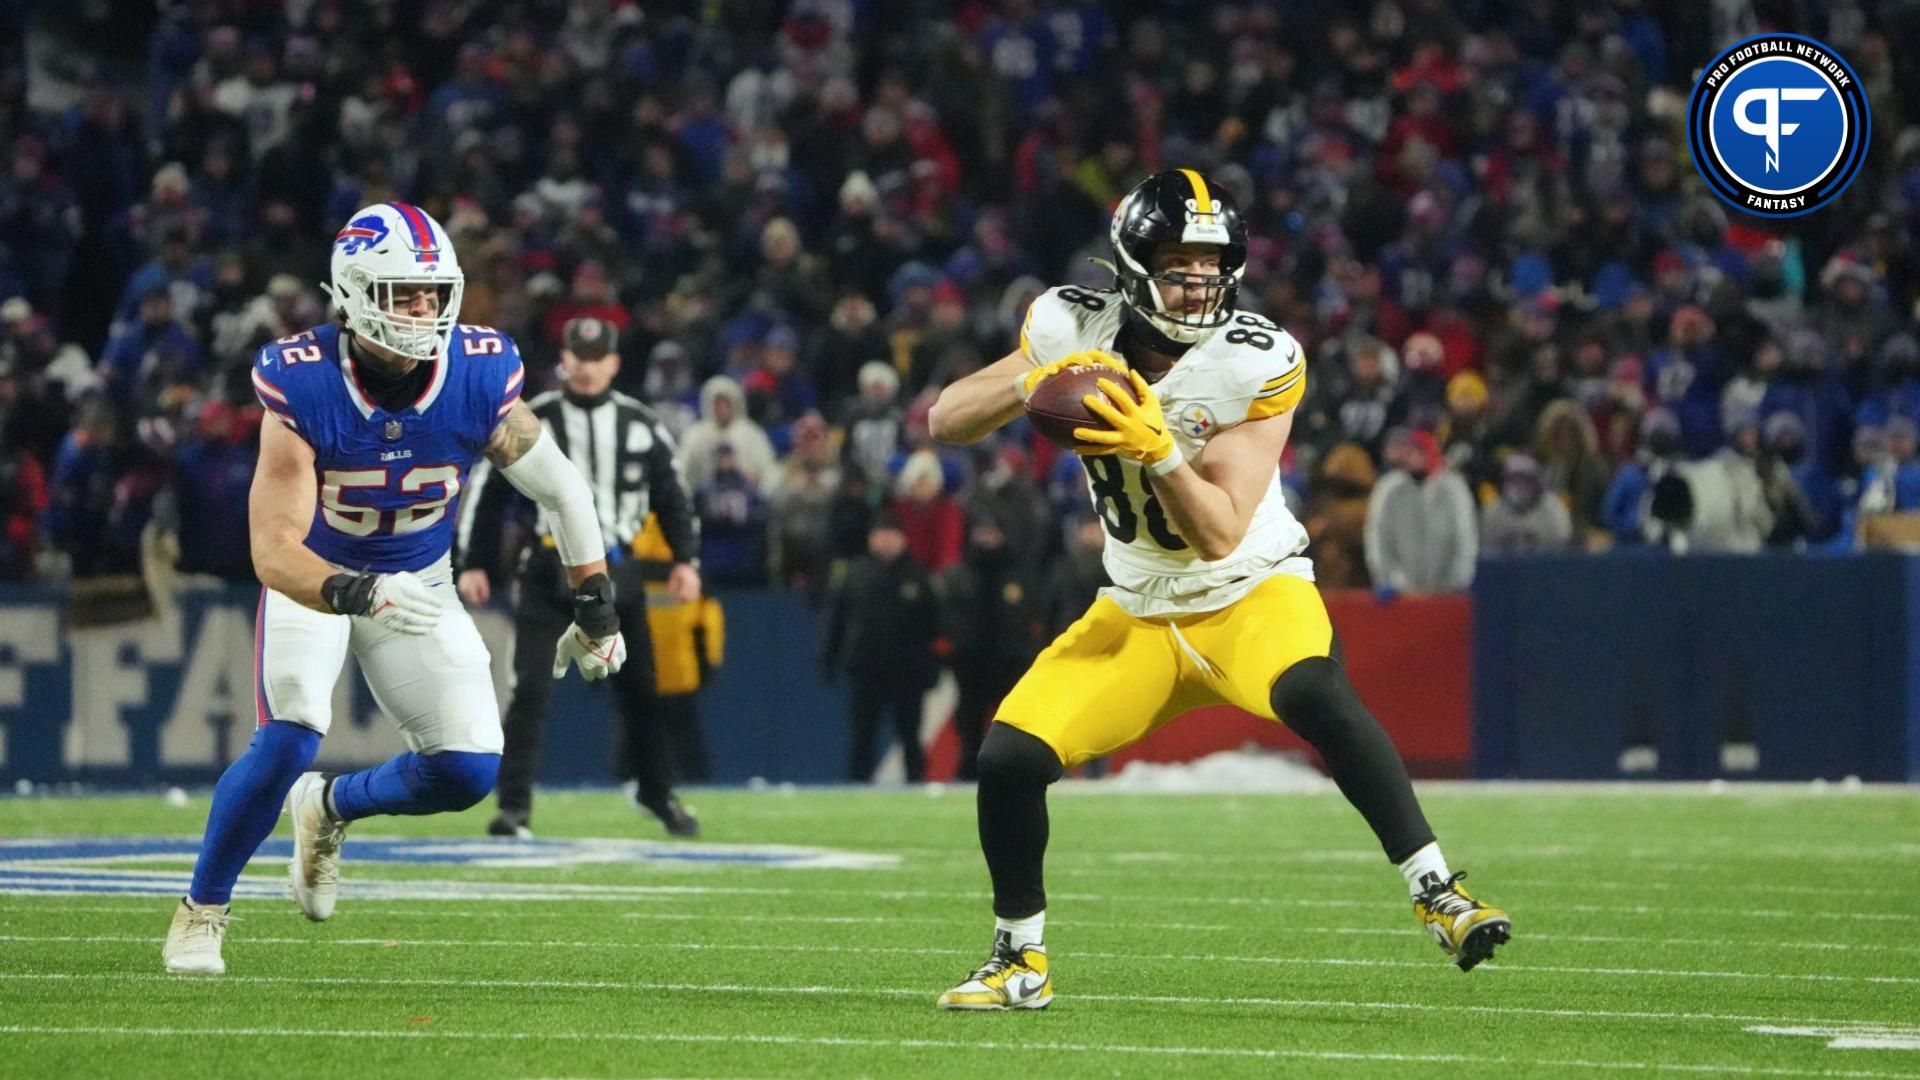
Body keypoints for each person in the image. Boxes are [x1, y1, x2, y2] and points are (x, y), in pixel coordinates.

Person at [925, 170, 1509, 1011]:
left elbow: (1221, 529)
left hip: (1249, 589)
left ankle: (1438, 892)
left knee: (1313, 689)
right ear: (1129, 265)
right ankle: (1020, 960)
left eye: (1211, 265)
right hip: (1136, 608)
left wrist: (1158, 447)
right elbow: (946, 419)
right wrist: (1036, 379)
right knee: (1010, 758)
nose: (1197, 283)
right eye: (1176, 263)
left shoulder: (1256, 359)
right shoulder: (1070, 323)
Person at [163, 203, 629, 976]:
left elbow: (565, 491)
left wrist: (596, 604)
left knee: (469, 768)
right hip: (322, 576)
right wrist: (352, 590)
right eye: (401, 294)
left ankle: (331, 806)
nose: (422, 311)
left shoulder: (477, 374)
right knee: (291, 733)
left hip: (419, 577)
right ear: (351, 293)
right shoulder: (303, 380)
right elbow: (273, 548)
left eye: (432, 294)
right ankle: (202, 909)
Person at [456, 316, 703, 840]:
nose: (587, 367)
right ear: (563, 359)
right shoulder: (534, 418)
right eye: (579, 356)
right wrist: (473, 561)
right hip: (548, 570)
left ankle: (657, 792)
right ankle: (515, 806)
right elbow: (488, 489)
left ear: (614, 362)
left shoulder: (640, 422)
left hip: (619, 571)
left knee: (643, 693)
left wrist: (687, 559)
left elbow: (673, 493)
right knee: (529, 692)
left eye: (598, 357)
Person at [820, 512, 941, 782]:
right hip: (866, 666)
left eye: (891, 534)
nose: (885, 541)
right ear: (871, 538)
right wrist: (828, 656)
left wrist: (931, 667)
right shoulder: (855, 573)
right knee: (862, 735)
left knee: (910, 734)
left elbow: (934, 625)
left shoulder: (918, 575)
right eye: (880, 534)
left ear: (902, 538)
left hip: (908, 670)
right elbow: (836, 619)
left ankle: (915, 785)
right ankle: (856, 786)